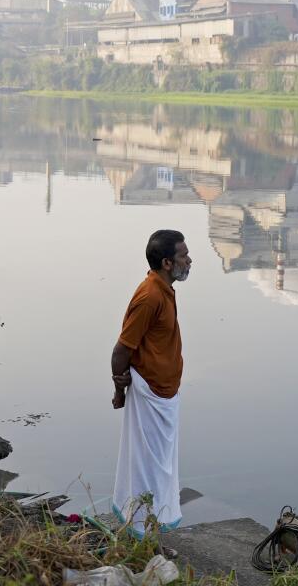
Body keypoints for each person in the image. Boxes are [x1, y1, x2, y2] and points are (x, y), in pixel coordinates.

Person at [110, 229, 192, 541]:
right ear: (168, 262)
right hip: (149, 395)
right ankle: (143, 539)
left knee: (161, 470)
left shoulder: (165, 289)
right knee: (148, 471)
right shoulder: (149, 295)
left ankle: (148, 533)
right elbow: (121, 350)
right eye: (184, 256)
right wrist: (120, 391)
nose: (190, 260)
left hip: (165, 394)